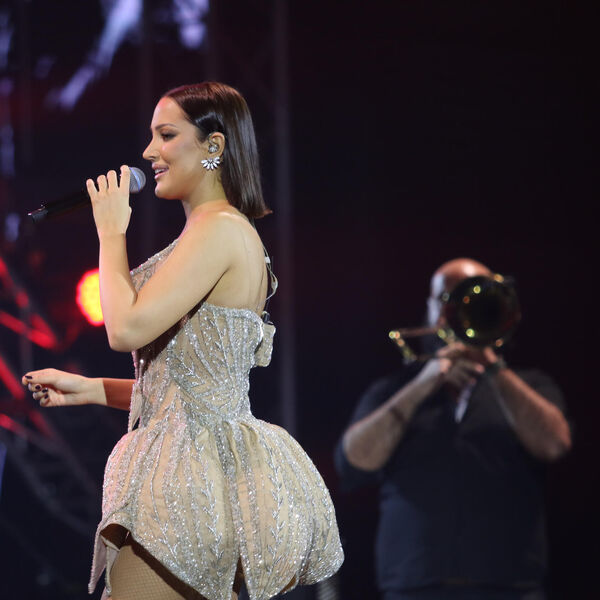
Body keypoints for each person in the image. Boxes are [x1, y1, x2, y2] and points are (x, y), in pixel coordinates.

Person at [22, 82, 343, 600]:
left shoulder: (220, 230)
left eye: (167, 135)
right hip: (192, 477)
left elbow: (124, 329)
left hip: (186, 487)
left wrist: (111, 233)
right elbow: (192, 390)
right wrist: (94, 389)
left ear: (214, 146)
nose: (149, 152)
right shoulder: (212, 232)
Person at [335, 258, 571, 600]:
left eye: (473, 298)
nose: (459, 310)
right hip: (413, 588)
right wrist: (426, 381)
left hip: (510, 588)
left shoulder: (531, 384)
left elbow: (555, 445)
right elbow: (353, 461)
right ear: (431, 308)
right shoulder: (392, 389)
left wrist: (491, 365)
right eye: (447, 299)